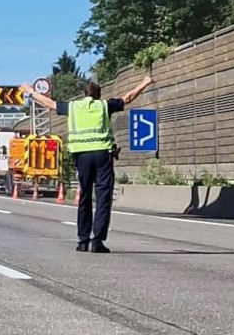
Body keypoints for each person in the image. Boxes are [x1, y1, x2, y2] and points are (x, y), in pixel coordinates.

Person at [22, 74, 155, 253]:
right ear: (99, 95)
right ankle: (97, 240)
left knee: (84, 196)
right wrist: (145, 82)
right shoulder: (104, 105)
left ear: (84, 94)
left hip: (82, 156)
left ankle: (82, 240)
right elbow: (128, 97)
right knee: (103, 198)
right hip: (102, 155)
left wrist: (31, 92)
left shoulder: (73, 107)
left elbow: (50, 104)